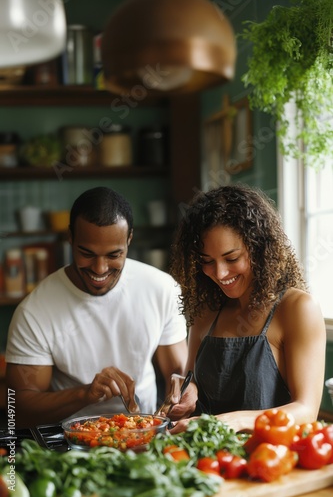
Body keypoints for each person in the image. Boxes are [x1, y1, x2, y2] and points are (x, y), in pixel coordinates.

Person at [5, 187, 187, 428]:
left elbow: (178, 371)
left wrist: (180, 389)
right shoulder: (34, 311)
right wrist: (84, 394)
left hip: (143, 435)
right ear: (70, 237)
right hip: (70, 445)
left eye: (114, 255)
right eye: (86, 253)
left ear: (129, 239)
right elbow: (17, 411)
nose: (100, 268)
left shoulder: (162, 289)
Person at [167, 184, 326, 433]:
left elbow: (306, 410)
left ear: (259, 248)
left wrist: (225, 423)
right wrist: (188, 389)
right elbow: (192, 379)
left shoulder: (297, 309)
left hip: (272, 460)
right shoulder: (206, 310)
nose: (219, 274)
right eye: (207, 262)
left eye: (231, 259)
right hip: (205, 462)